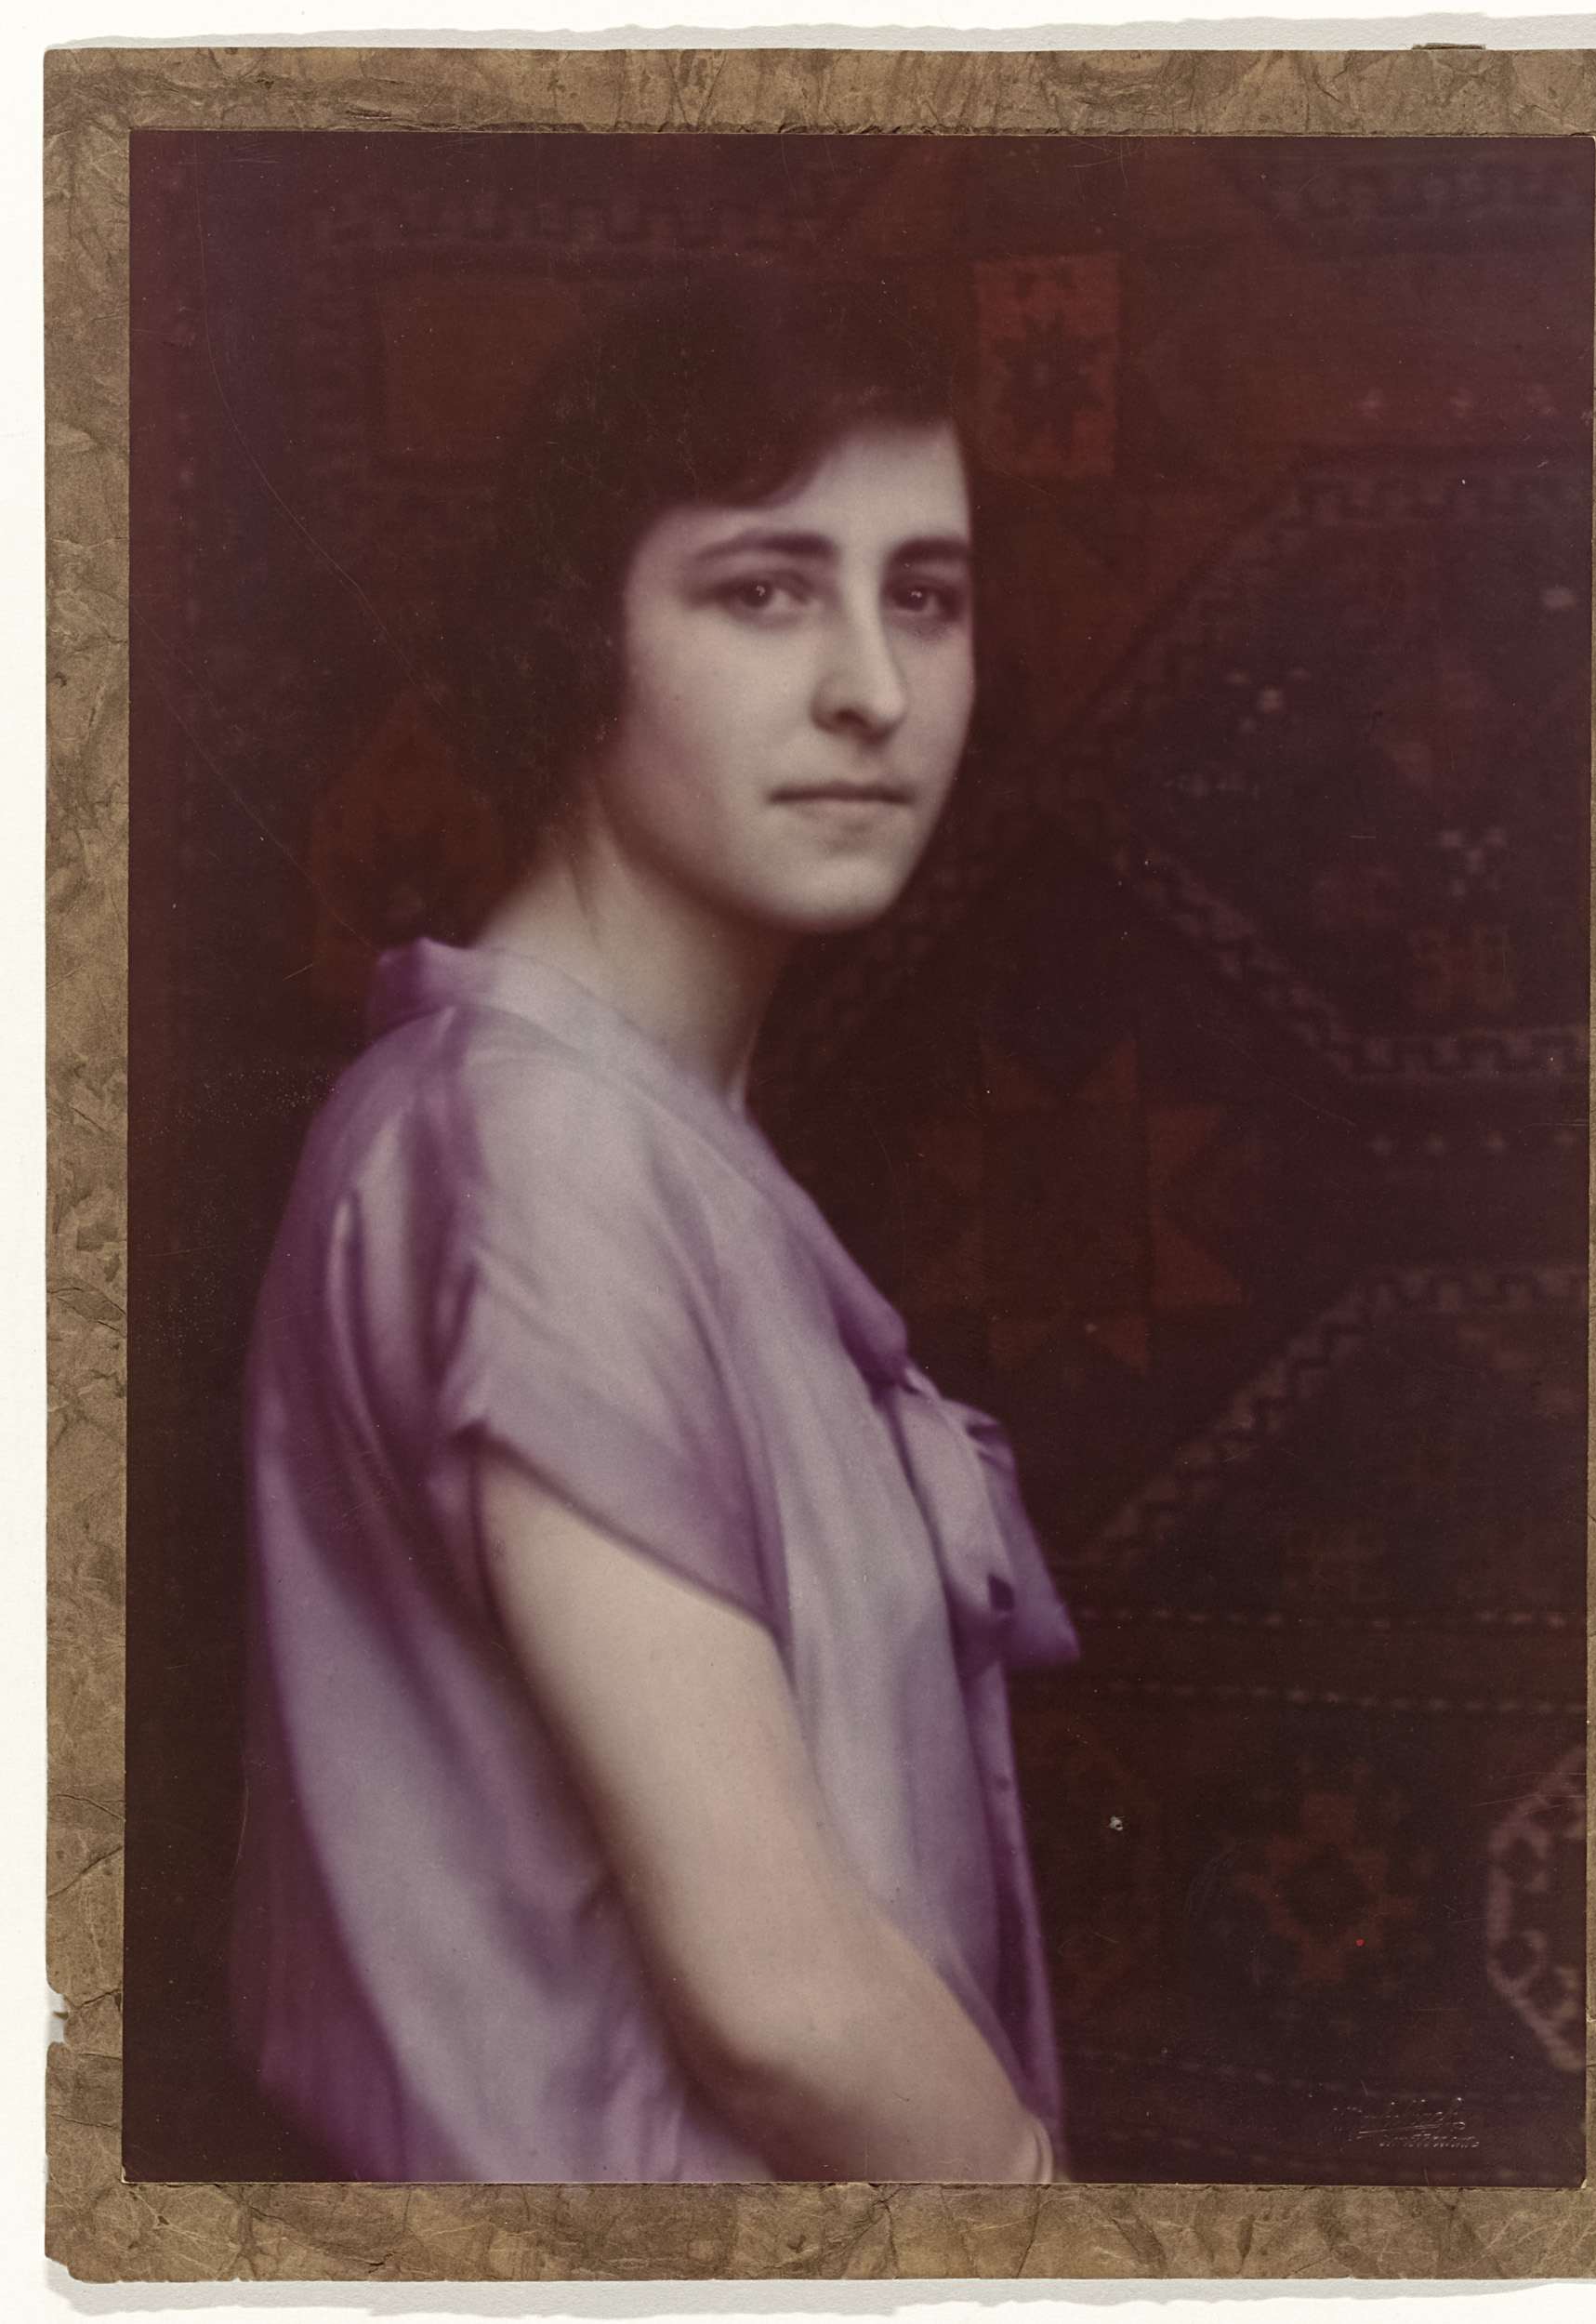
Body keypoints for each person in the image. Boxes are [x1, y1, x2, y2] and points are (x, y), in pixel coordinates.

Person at [230, 268, 1080, 2184]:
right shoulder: (531, 1145)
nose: (870, 688)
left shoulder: (650, 1144)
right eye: (762, 591)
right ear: (576, 640)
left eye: (922, 596)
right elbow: (778, 2007)